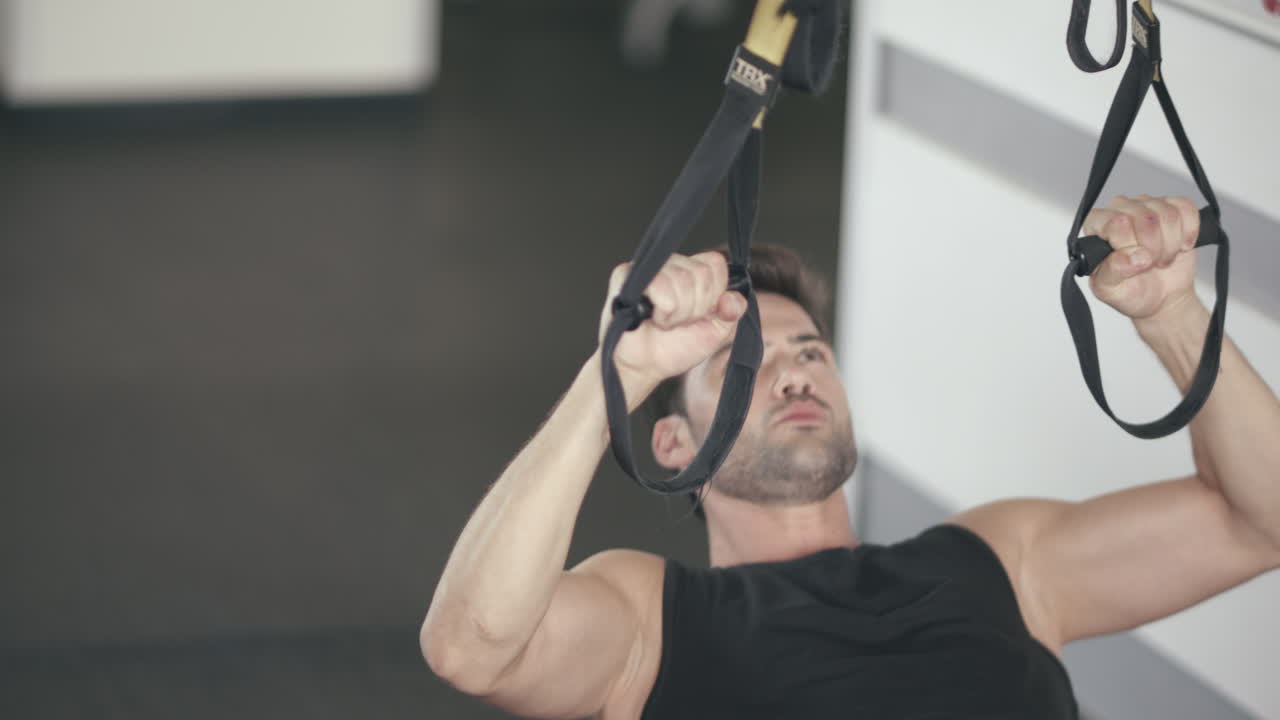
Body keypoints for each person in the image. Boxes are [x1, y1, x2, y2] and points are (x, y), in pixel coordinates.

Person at [421, 195, 1280, 719]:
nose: (794, 369)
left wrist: (1171, 314)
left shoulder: (1000, 563)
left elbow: (1260, 519)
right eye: (745, 364)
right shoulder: (649, 622)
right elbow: (472, 649)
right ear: (673, 443)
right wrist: (613, 377)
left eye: (810, 351)